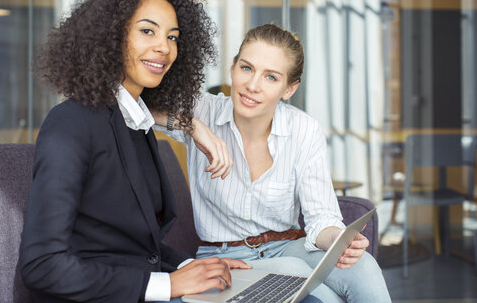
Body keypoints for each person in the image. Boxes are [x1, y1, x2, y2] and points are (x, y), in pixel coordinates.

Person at [18, 0, 263, 302]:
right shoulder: (71, 122)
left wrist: (196, 266)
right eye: (148, 31)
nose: (164, 47)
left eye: (172, 37)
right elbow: (42, 265)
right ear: (111, 36)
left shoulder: (135, 122)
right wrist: (169, 285)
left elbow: (130, 246)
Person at [153, 24, 391, 302]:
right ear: (232, 68)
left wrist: (340, 240)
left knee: (362, 265)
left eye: (271, 77)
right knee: (299, 277)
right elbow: (131, 102)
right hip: (224, 255)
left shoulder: (304, 129)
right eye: (246, 68)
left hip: (289, 247)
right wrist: (193, 126)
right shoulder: (203, 109)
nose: (252, 85)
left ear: (289, 89)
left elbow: (321, 217)